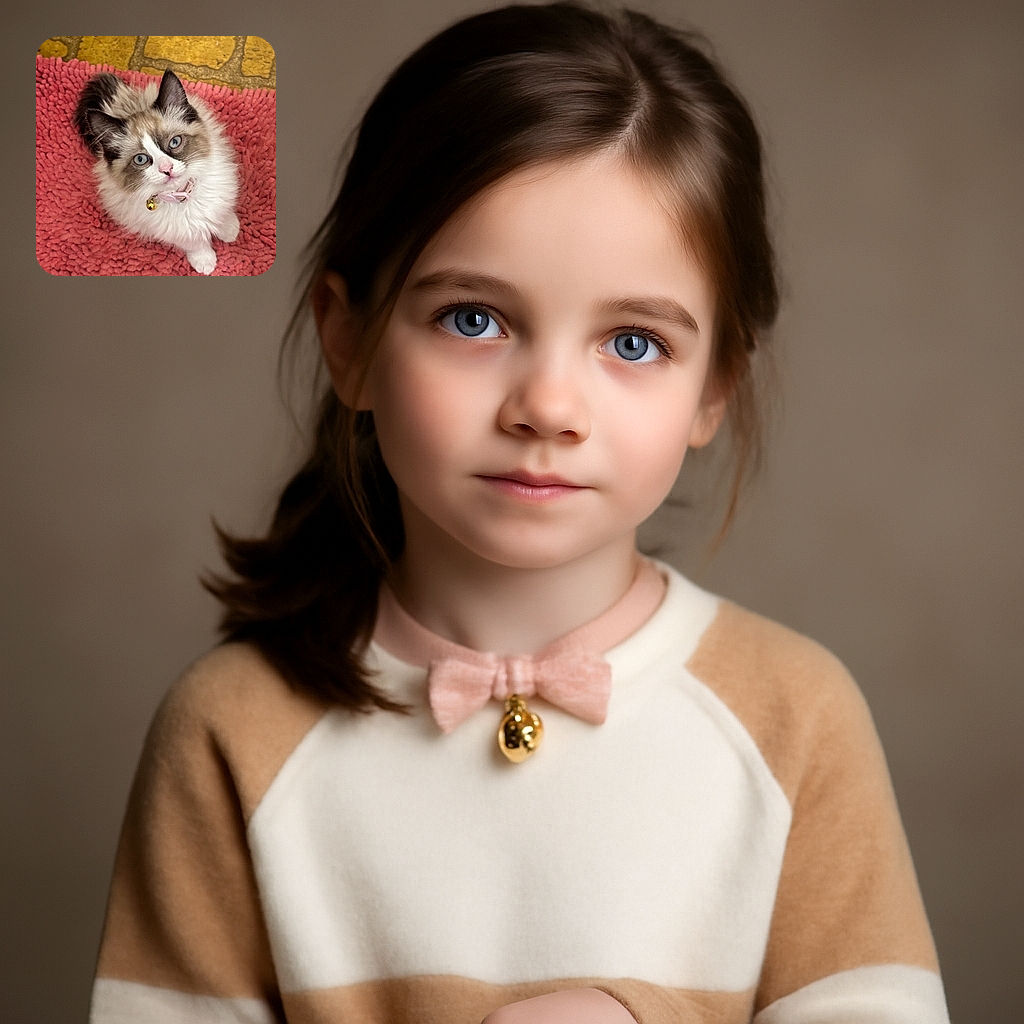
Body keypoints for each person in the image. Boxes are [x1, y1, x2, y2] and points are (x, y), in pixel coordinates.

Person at [88, 4, 949, 1022]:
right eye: (474, 319)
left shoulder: (796, 720)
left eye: (632, 342)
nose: (547, 406)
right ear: (349, 340)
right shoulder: (231, 732)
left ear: (713, 387)